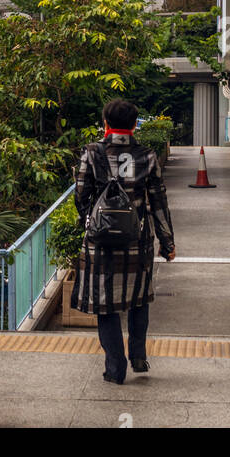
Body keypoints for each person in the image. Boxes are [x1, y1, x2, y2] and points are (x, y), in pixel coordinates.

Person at [71, 98, 175, 384]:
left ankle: (115, 368)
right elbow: (159, 202)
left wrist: (90, 223)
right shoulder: (147, 156)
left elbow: (81, 196)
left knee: (106, 305)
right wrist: (167, 243)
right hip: (137, 241)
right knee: (138, 299)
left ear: (106, 123)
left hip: (101, 243)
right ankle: (138, 356)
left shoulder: (92, 153)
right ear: (133, 125)